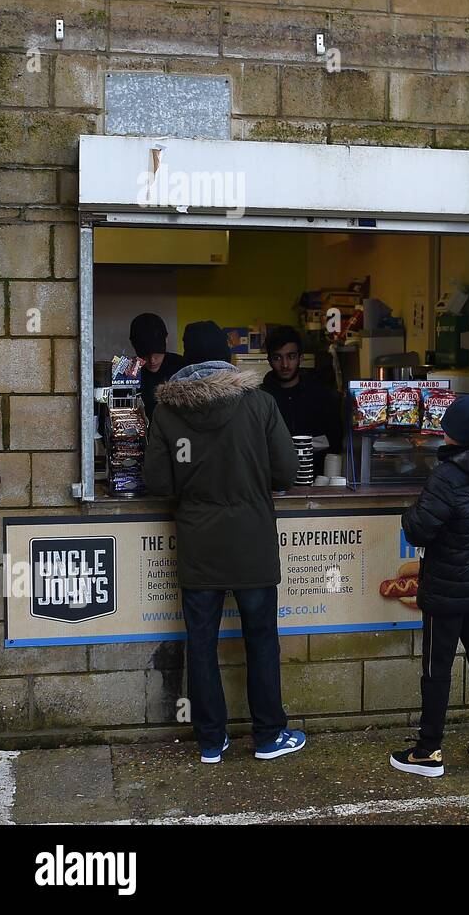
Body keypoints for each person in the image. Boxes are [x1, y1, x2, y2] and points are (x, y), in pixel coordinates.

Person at [145, 320, 305, 764]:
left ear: (186, 358)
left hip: (199, 544)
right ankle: (270, 735)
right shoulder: (260, 404)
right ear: (228, 357)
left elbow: (158, 481)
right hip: (252, 540)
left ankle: (211, 741)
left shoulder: (168, 412)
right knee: (261, 639)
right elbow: (287, 472)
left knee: (201, 642)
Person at [390, 395, 469, 778]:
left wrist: (408, 513)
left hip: (446, 587)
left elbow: (420, 527)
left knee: (436, 668)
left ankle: (428, 750)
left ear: (455, 433)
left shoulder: (447, 475)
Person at [261, 325, 342, 473]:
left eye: (291, 356)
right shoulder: (261, 398)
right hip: (273, 481)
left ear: (301, 358)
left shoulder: (321, 395)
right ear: (269, 360)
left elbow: (336, 442)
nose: (285, 365)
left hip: (318, 480)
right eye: (277, 357)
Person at [129, 313, 184, 422]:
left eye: (157, 354)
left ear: (166, 339)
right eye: (145, 355)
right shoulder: (128, 372)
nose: (152, 360)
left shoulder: (182, 368)